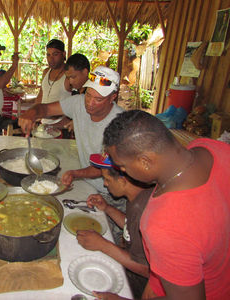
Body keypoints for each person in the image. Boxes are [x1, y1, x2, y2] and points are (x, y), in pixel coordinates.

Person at [100, 110, 230, 300]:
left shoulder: (164, 225)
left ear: (145, 161)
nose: (123, 171)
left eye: (123, 167)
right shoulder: (208, 147)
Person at [19, 66, 126, 243]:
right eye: (88, 95)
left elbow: (106, 168)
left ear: (112, 98)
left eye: (98, 99)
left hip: (113, 193)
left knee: (106, 239)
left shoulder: (120, 123)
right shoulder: (78, 102)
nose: (90, 103)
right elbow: (44, 109)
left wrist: (75, 173)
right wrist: (31, 113)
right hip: (88, 184)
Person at [76, 153, 153, 299]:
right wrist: (107, 208)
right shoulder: (136, 197)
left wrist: (103, 245)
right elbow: (131, 228)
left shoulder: (143, 209)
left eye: (107, 179)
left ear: (123, 180)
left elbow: (148, 269)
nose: (105, 184)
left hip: (139, 288)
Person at [35, 39, 71, 104]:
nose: (51, 59)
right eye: (48, 55)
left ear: (63, 54)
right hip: (42, 113)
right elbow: (40, 96)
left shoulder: (70, 74)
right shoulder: (46, 72)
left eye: (55, 54)